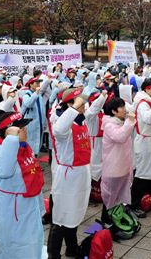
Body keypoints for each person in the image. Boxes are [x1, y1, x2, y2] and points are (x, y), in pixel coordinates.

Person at [0, 111, 45, 259]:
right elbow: (5, 170)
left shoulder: (24, 147)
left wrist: (40, 207)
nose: (26, 130)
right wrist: (12, 139)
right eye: (20, 129)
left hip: (29, 209)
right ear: (9, 133)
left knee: (33, 247)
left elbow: (34, 176)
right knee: (14, 250)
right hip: (12, 213)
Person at [48, 88, 91, 259]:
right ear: (70, 105)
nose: (84, 105)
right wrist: (73, 109)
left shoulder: (82, 121)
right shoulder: (62, 122)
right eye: (80, 103)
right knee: (61, 216)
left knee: (74, 213)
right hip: (68, 175)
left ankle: (72, 248)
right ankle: (53, 254)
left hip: (81, 173)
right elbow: (58, 130)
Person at [130, 78, 151, 217]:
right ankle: (135, 204)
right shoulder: (143, 104)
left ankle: (149, 198)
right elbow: (148, 119)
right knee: (142, 174)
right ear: (146, 89)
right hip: (145, 143)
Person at [100, 97, 135, 223]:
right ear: (114, 111)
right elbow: (120, 137)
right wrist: (129, 122)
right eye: (121, 107)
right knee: (109, 197)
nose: (124, 110)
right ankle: (105, 223)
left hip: (123, 166)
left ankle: (115, 222)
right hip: (113, 168)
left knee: (118, 197)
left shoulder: (121, 121)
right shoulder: (109, 124)